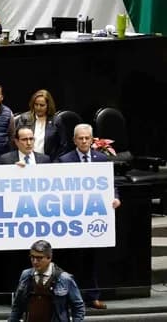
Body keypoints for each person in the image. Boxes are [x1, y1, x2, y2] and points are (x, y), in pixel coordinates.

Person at [56, 123, 119, 310]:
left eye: (87, 138)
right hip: (73, 218)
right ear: (74, 140)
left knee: (92, 260)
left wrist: (115, 198)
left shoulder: (101, 159)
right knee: (72, 260)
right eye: (80, 138)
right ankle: (71, 299)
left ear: (92, 140)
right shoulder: (64, 160)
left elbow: (111, 184)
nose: (84, 141)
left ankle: (93, 297)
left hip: (93, 219)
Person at [8, 240, 85, 322]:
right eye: (32, 257)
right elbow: (17, 306)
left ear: (49, 258)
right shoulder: (26, 275)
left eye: (39, 258)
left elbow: (78, 307)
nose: (34, 261)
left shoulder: (64, 278)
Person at [18, 89, 64, 161]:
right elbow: (17, 141)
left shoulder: (56, 121)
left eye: (42, 105)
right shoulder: (25, 118)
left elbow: (63, 145)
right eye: (36, 104)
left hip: (50, 162)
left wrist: (55, 162)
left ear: (48, 106)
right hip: (27, 160)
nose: (38, 108)